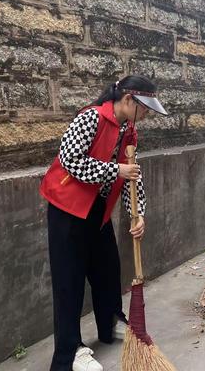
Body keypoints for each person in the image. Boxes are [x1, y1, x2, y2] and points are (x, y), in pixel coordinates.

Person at [39, 76, 168, 371]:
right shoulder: (91, 118)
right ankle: (70, 352)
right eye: (144, 108)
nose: (146, 115)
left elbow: (132, 176)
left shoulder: (129, 131)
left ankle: (110, 320)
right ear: (127, 100)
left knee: (107, 268)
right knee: (69, 281)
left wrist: (139, 214)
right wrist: (116, 169)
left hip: (97, 209)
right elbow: (69, 159)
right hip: (68, 208)